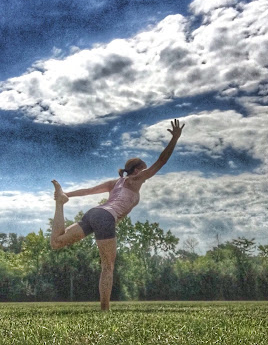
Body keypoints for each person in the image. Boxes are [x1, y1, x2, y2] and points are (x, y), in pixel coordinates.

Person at [50, 119, 185, 311]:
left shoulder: (115, 183)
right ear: (137, 170)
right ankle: (105, 310)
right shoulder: (134, 180)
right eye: (144, 169)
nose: (146, 174)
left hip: (94, 213)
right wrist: (175, 139)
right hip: (106, 218)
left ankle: (60, 203)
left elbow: (88, 191)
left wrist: (66, 195)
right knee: (107, 266)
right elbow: (161, 162)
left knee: (57, 242)